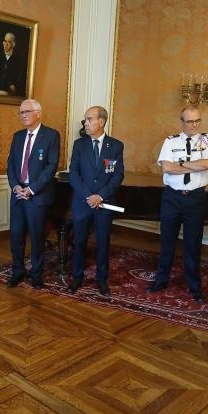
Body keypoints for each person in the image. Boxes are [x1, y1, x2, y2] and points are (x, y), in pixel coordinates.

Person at [147, 105, 208, 302]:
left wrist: (181, 164)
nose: (194, 125)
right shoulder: (170, 141)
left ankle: (194, 285)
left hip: (196, 198)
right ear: (182, 122)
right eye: (190, 121)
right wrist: (194, 166)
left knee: (192, 244)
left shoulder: (207, 140)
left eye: (197, 120)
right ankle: (161, 280)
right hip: (172, 198)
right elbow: (167, 168)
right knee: (167, 241)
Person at [68, 106, 124, 296]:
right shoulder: (79, 144)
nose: (85, 123)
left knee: (103, 243)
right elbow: (73, 174)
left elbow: (117, 176)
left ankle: (102, 279)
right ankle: (77, 277)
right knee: (79, 242)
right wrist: (88, 196)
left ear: (101, 121)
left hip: (104, 203)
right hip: (82, 203)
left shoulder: (115, 146)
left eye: (89, 119)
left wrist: (100, 196)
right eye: (85, 120)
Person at [6, 99, 60, 289]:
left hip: (37, 196)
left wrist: (31, 189)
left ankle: (36, 275)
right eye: (21, 112)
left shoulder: (51, 135)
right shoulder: (18, 136)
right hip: (18, 194)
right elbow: (11, 165)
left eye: (26, 111)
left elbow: (51, 167)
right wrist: (15, 186)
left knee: (37, 238)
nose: (23, 115)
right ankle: (17, 272)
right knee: (16, 237)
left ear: (38, 113)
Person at [0, 32, 25, 97]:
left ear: (13, 44)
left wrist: (13, 86)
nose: (6, 44)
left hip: (10, 91)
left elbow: (19, 80)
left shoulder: (18, 60)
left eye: (9, 42)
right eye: (5, 41)